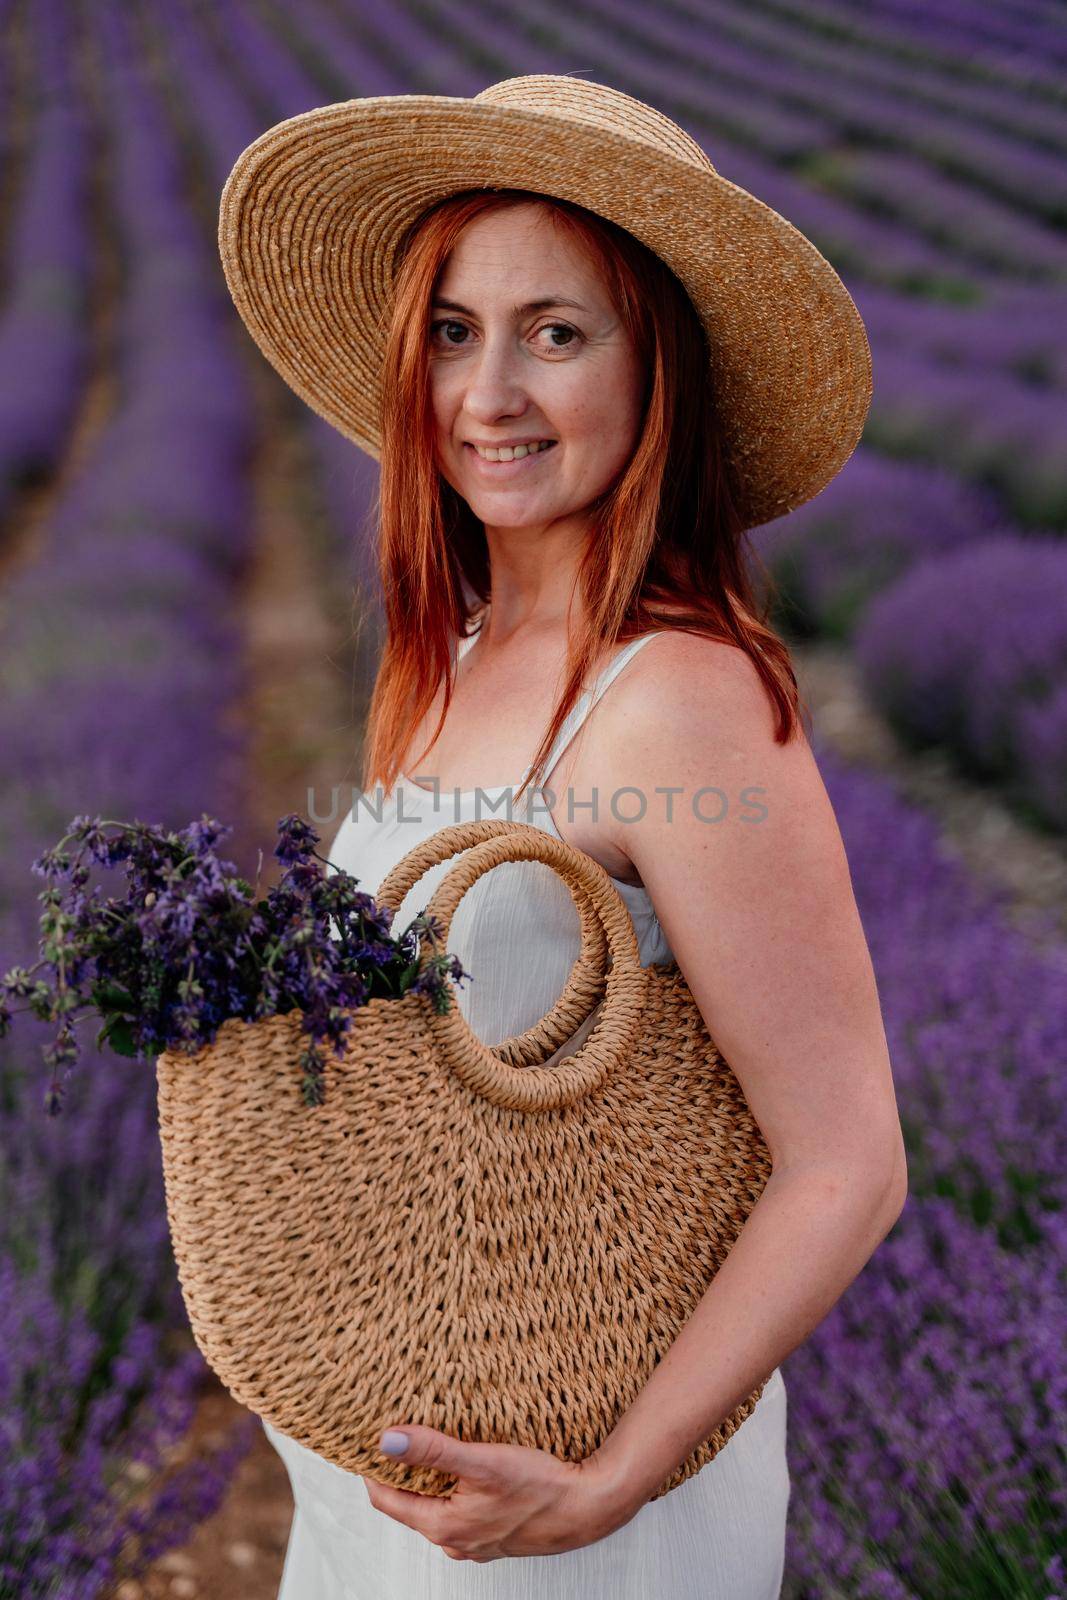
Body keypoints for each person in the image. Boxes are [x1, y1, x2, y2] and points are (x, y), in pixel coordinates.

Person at [219, 74, 907, 1599]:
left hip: (571, 1491)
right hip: (400, 1460)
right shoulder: (452, 661)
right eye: (457, 332)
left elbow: (848, 1159)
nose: (490, 395)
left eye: (558, 332)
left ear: (654, 367)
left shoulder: (681, 696)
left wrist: (610, 1485)